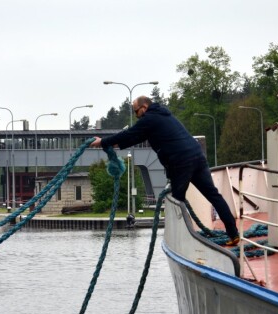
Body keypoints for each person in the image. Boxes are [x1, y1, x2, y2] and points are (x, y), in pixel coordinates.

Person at [90, 95, 239, 245]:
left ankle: (181, 240)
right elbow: (136, 137)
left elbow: (129, 133)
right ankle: (234, 234)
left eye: (136, 111)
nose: (136, 116)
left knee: (176, 201)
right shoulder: (162, 116)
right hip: (197, 156)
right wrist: (114, 145)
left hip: (181, 161)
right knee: (213, 195)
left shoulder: (150, 119)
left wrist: (102, 142)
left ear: (144, 107)